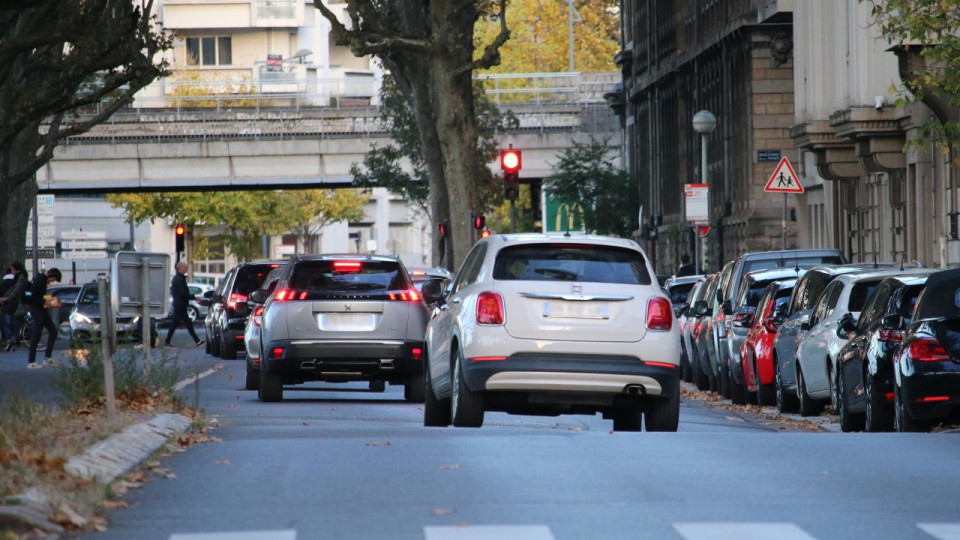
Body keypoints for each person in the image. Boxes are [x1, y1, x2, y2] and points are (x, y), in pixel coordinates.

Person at [26, 267, 61, 369]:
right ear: (51, 276)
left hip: (41, 309)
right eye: (53, 280)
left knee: (53, 331)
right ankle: (31, 362)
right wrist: (44, 301)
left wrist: (47, 300)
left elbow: (36, 295)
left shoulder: (41, 279)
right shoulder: (41, 280)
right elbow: (31, 295)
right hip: (37, 309)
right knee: (36, 334)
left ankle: (47, 358)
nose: (52, 282)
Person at [165, 261, 205, 348]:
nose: (186, 268)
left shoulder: (179, 278)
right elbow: (183, 293)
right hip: (180, 305)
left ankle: (197, 341)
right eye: (185, 267)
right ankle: (197, 341)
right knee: (183, 323)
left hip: (180, 304)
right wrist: (194, 297)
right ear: (180, 268)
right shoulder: (179, 279)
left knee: (182, 323)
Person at [0, 262, 29, 352]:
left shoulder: (20, 278)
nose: (12, 271)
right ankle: (14, 341)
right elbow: (13, 289)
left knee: (9, 323)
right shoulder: (18, 278)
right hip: (15, 304)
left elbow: (15, 291)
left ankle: (12, 341)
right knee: (14, 324)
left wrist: (6, 298)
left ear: (17, 270)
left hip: (17, 304)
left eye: (13, 269)